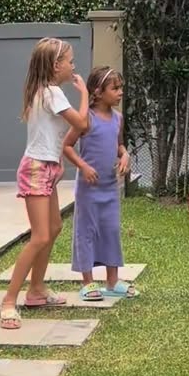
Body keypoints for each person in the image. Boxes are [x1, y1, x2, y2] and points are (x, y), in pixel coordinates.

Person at [0, 37, 89, 330]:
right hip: (37, 169)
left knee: (54, 227)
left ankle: (36, 290)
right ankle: (9, 301)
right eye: (70, 61)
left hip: (46, 166)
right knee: (40, 236)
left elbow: (49, 134)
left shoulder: (44, 92)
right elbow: (82, 124)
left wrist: (57, 161)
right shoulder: (52, 93)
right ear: (56, 66)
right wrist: (85, 94)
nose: (73, 66)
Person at [63, 66, 137, 300]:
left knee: (110, 230)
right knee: (86, 232)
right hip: (88, 190)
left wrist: (125, 155)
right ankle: (87, 283)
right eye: (115, 88)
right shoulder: (86, 119)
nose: (120, 92)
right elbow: (66, 146)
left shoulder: (118, 118)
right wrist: (83, 166)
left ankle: (112, 281)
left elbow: (119, 145)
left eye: (121, 88)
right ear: (98, 91)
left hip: (110, 187)